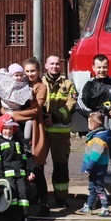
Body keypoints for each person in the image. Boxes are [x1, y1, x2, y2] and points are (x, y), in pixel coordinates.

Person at [77, 55, 111, 210]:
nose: (102, 70)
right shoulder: (89, 85)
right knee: (96, 165)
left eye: (104, 66)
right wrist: (93, 116)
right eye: (99, 67)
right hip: (96, 132)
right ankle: (97, 197)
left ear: (108, 67)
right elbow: (80, 103)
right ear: (93, 68)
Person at [7, 58, 50, 216]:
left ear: (38, 71)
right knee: (20, 167)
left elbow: (36, 110)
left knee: (37, 168)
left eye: (33, 71)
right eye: (27, 71)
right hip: (17, 131)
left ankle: (44, 204)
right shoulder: (19, 84)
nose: (30, 74)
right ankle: (24, 201)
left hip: (33, 131)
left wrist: (14, 115)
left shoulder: (41, 87)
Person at [42, 55, 78, 208]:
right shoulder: (39, 82)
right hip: (41, 134)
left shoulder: (69, 84)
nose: (55, 66)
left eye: (57, 64)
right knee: (36, 167)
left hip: (60, 135)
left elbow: (71, 104)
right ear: (46, 66)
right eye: (52, 64)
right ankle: (39, 197)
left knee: (61, 167)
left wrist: (54, 118)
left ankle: (61, 199)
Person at [0, 113, 35, 221]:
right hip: (7, 177)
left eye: (11, 128)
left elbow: (24, 158)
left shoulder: (17, 142)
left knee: (23, 195)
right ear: (0, 128)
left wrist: (29, 171)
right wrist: (0, 178)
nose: (8, 131)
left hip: (21, 174)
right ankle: (13, 217)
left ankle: (25, 217)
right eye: (5, 128)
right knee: (13, 196)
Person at [78, 112, 111, 217]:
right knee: (92, 188)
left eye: (88, 123)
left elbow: (94, 156)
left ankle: (105, 208)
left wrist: (88, 168)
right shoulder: (96, 137)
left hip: (97, 169)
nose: (88, 126)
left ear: (93, 125)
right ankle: (88, 206)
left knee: (99, 188)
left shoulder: (98, 139)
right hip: (94, 168)